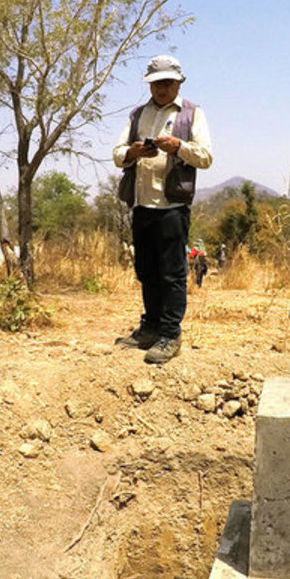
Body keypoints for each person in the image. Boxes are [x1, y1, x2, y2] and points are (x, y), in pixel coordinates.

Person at [113, 54, 213, 364]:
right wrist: (133, 151)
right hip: (142, 204)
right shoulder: (136, 115)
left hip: (172, 206)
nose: (161, 89)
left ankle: (171, 334)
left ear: (179, 82)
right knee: (146, 271)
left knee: (171, 274)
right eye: (156, 83)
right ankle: (151, 327)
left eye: (167, 83)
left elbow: (206, 157)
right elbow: (117, 154)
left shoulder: (192, 114)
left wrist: (178, 147)